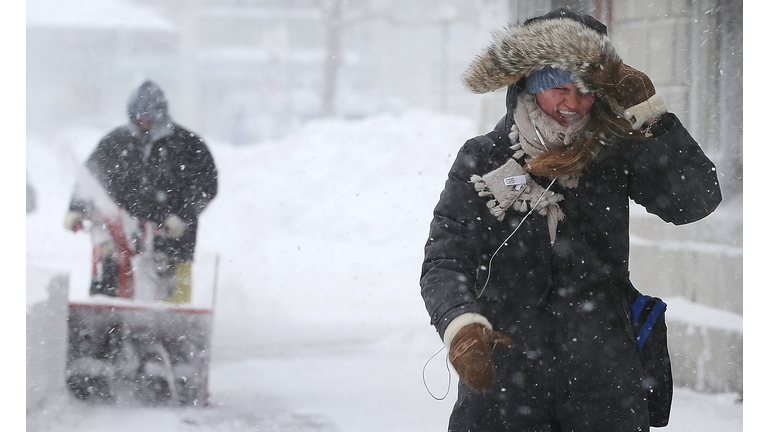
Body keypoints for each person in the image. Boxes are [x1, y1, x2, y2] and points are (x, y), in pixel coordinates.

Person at [419, 8, 721, 432]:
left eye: (585, 91)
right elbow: (446, 260)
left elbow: (695, 201)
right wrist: (461, 324)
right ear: (529, 83)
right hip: (506, 386)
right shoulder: (484, 156)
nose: (574, 104)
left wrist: (650, 113)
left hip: (603, 387)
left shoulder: (614, 152)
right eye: (560, 88)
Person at [64, 80, 218, 303]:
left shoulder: (188, 145)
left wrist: (181, 217)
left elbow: (206, 187)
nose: (143, 124)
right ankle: (107, 325)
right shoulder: (115, 142)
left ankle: (172, 331)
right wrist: (77, 209)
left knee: (173, 305)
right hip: (121, 237)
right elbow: (90, 179)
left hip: (173, 243)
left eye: (148, 119)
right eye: (138, 119)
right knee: (109, 293)